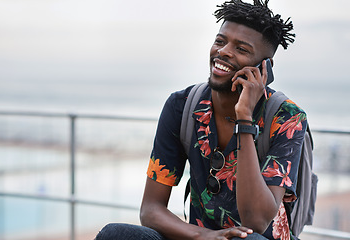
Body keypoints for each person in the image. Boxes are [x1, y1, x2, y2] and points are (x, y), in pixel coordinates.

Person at [96, 0, 307, 239]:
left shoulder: (287, 118)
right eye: (220, 41)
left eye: (242, 49)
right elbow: (151, 209)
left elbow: (256, 221)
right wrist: (204, 236)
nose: (224, 51)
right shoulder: (182, 106)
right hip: (200, 237)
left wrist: (244, 119)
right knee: (115, 234)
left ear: (264, 68)